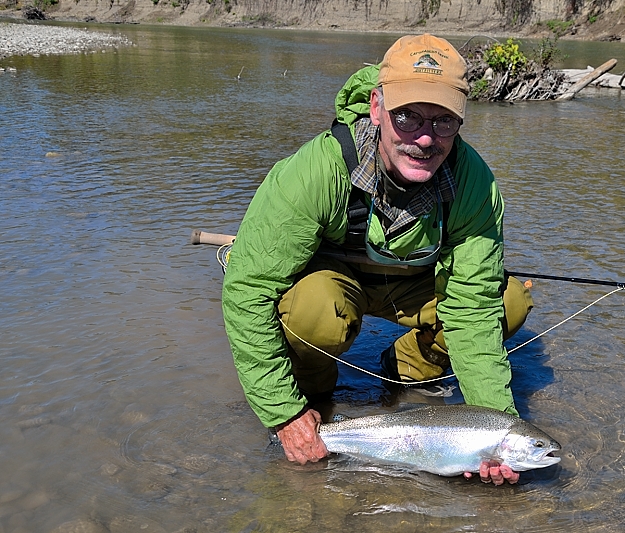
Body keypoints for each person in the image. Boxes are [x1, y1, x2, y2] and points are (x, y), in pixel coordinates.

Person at [222, 34, 533, 485]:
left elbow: (472, 309)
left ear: (460, 121)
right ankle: (313, 392)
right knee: (314, 310)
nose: (424, 138)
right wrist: (283, 412)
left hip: (415, 287)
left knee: (508, 301)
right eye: (407, 117)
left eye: (443, 121)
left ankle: (407, 373)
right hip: (333, 285)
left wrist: (497, 428)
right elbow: (247, 291)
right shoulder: (316, 171)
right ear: (376, 108)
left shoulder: (475, 186)